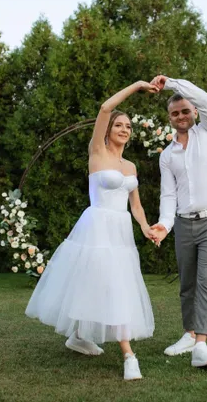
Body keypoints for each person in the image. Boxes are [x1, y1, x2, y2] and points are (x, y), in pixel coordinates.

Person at [25, 80, 159, 380]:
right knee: (111, 284)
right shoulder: (97, 152)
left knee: (102, 283)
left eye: (128, 127)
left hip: (121, 232)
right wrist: (138, 85)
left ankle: (78, 336)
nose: (124, 130)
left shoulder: (131, 167)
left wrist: (146, 227)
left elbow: (135, 204)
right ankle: (128, 355)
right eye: (119, 125)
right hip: (97, 227)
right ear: (108, 130)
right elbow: (105, 107)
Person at [150, 75, 207, 367]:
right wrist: (163, 225)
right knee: (187, 284)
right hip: (183, 225)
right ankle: (189, 334)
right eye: (175, 113)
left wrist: (170, 83)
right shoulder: (168, 156)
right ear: (169, 118)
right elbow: (169, 196)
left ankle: (201, 347)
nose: (181, 116)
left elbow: (205, 98)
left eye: (185, 110)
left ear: (194, 112)